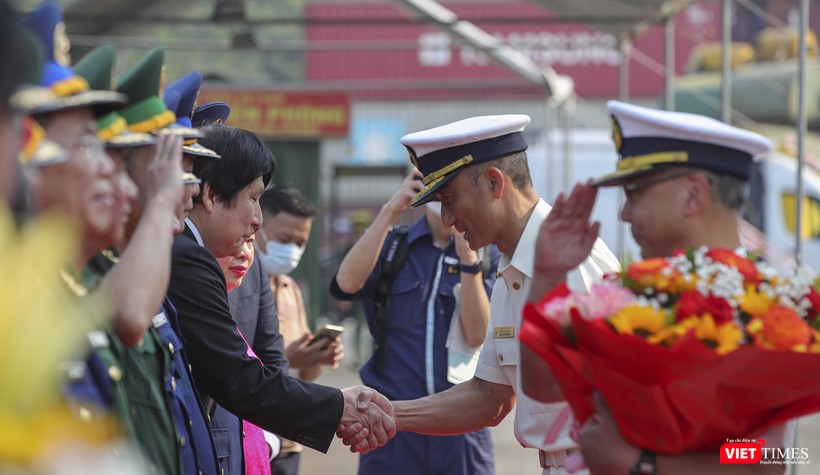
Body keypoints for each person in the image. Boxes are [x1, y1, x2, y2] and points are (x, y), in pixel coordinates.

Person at [337, 115, 620, 474]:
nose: (448, 218)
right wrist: (392, 413)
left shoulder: (574, 263)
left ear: (493, 183)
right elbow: (491, 396)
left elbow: (628, 400)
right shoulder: (512, 269)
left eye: (450, 199)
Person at [519, 100, 787, 475]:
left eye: (636, 192)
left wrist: (642, 465)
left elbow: (764, 458)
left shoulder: (761, 306)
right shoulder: (632, 292)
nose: (624, 214)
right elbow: (544, 385)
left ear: (693, 194)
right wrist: (546, 277)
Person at [166, 123, 395, 458]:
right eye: (253, 198)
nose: (258, 219)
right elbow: (238, 380)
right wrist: (338, 406)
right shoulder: (187, 258)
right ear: (212, 194)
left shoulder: (189, 252)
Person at [331, 170, 500, 475]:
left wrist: (468, 262)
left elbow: (477, 335)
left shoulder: (487, 253)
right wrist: (390, 211)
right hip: (390, 429)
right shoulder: (394, 246)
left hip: (461, 432)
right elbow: (345, 284)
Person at [257, 184, 344, 475]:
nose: (292, 250)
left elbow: (306, 375)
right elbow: (230, 367)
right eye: (285, 239)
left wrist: (317, 356)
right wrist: (288, 358)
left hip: (289, 439)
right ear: (258, 226)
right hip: (255, 437)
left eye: (300, 243)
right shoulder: (237, 285)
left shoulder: (290, 288)